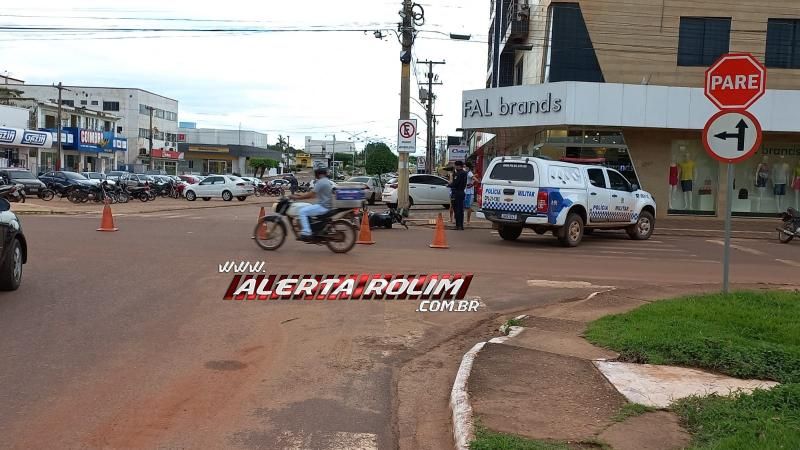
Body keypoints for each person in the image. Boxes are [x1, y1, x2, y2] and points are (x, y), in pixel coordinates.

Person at [292, 167, 333, 241]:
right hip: (326, 205)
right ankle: (312, 228)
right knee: (308, 207)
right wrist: (300, 195)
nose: (315, 176)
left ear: (320, 174)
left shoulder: (321, 182)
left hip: (323, 206)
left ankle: (306, 232)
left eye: (316, 174)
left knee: (302, 211)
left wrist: (298, 198)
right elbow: (314, 195)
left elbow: (311, 195)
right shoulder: (327, 181)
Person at [448, 161, 467, 230]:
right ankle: (460, 225)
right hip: (461, 192)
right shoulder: (464, 173)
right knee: (460, 210)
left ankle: (458, 225)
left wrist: (449, 185)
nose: (455, 167)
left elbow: (455, 183)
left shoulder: (458, 174)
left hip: (456, 193)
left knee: (457, 210)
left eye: (455, 165)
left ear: (458, 166)